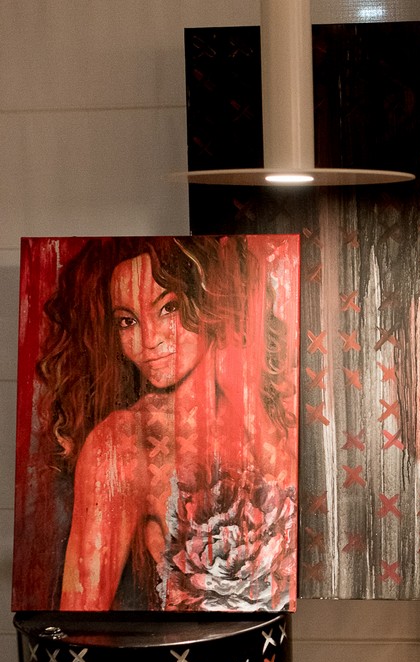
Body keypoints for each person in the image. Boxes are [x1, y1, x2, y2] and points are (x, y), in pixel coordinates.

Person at [34, 235, 297, 612]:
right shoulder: (121, 442)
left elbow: (302, 541)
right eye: (127, 321)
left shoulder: (278, 401)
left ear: (208, 302)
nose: (148, 340)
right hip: (183, 647)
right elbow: (81, 614)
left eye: (168, 308)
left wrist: (247, 398)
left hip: (277, 639)